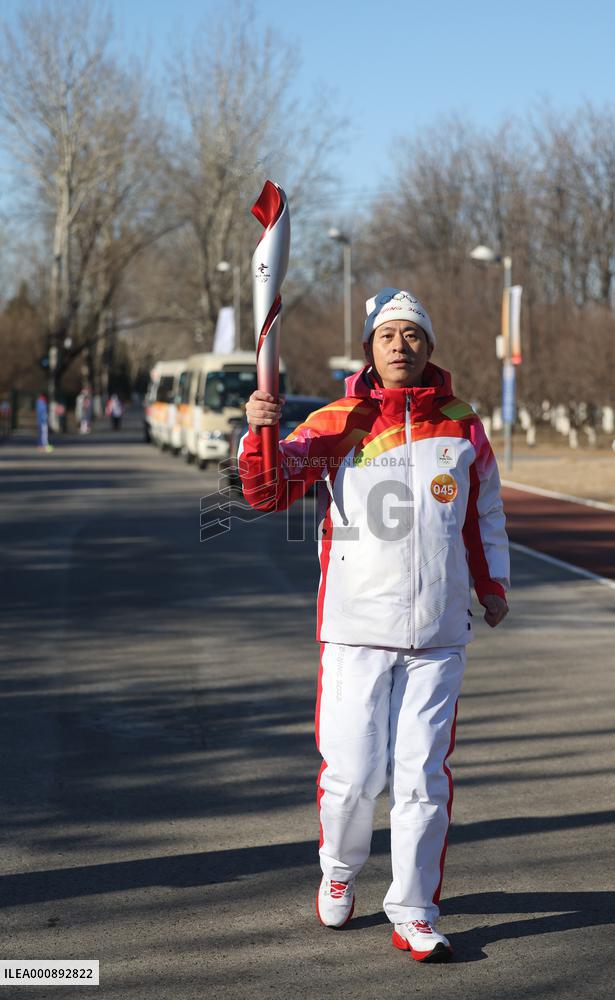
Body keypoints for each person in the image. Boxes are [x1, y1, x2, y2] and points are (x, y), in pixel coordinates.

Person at [239, 288, 509, 963]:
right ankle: (339, 867)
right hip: (355, 629)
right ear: (369, 348)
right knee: (353, 776)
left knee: (422, 779)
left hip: (438, 632)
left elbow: (483, 513)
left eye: (411, 335)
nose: (399, 345)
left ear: (429, 346)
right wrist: (259, 432)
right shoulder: (340, 419)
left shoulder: (461, 423)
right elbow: (266, 493)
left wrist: (491, 583)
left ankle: (414, 909)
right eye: (387, 335)